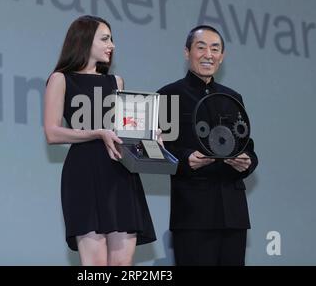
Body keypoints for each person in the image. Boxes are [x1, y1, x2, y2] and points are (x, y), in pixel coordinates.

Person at [43, 15, 155, 266]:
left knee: (122, 264)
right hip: (83, 174)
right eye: (105, 39)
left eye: (112, 39)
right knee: (94, 266)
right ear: (84, 41)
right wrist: (96, 132)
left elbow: (125, 132)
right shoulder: (60, 79)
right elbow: (52, 133)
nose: (112, 45)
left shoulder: (117, 81)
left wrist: (149, 137)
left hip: (120, 173)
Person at [158, 25, 258, 266]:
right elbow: (158, 148)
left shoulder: (233, 97)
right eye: (201, 47)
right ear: (187, 52)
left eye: (215, 49)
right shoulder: (168, 95)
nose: (208, 54)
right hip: (193, 213)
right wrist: (185, 159)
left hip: (233, 215)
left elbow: (249, 147)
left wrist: (247, 161)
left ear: (222, 57)